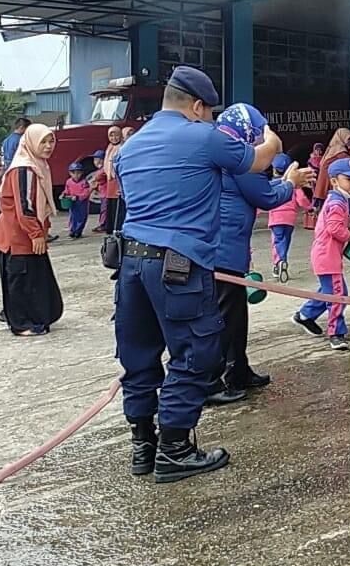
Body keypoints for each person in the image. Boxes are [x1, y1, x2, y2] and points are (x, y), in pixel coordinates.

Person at [113, 65, 281, 483]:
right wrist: (271, 136)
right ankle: (175, 448)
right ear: (198, 106)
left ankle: (143, 445)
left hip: (130, 265)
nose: (210, 119)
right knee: (195, 353)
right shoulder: (204, 137)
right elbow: (259, 160)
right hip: (178, 265)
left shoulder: (130, 146)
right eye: (209, 112)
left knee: (139, 356)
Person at [212, 104, 310, 405]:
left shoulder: (224, 148)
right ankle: (212, 381)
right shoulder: (240, 155)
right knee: (225, 316)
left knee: (235, 314)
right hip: (223, 248)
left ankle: (238, 370)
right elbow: (265, 196)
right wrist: (290, 183)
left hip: (225, 248)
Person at [0, 123, 63, 336]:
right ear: (31, 142)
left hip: (21, 232)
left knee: (32, 277)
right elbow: (25, 205)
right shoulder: (25, 168)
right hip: (18, 235)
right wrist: (36, 233)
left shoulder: (37, 165)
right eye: (43, 142)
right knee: (22, 279)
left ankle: (25, 316)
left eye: (51, 141)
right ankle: (22, 323)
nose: (49, 146)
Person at [292, 158, 350, 350]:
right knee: (338, 294)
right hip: (328, 256)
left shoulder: (337, 200)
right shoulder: (337, 203)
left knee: (329, 291)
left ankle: (305, 315)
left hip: (325, 254)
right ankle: (336, 333)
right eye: (348, 179)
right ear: (334, 181)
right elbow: (334, 228)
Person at [265, 153, 313, 284]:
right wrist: (310, 208)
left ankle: (279, 262)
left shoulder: (270, 185)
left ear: (274, 169)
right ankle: (282, 261)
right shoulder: (293, 184)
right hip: (290, 218)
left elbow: (262, 200)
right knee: (285, 241)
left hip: (275, 218)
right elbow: (302, 199)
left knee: (277, 241)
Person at [93, 126, 126, 233]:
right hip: (110, 180)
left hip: (118, 180)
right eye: (111, 135)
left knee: (118, 205)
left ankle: (118, 227)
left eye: (116, 135)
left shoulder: (122, 147)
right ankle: (110, 227)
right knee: (110, 205)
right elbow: (107, 166)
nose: (114, 138)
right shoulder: (109, 148)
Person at [313, 128, 350, 204]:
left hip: (327, 177)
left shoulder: (333, 147)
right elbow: (349, 162)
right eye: (348, 138)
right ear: (342, 137)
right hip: (329, 178)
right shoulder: (339, 149)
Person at [62, 162, 91, 238]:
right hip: (72, 202)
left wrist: (78, 197)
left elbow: (86, 192)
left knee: (81, 217)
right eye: (74, 173)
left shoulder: (84, 182)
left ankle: (78, 231)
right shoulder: (68, 181)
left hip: (82, 202)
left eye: (78, 173)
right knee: (72, 216)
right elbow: (67, 190)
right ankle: (72, 230)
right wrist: (64, 194)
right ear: (70, 173)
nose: (76, 175)